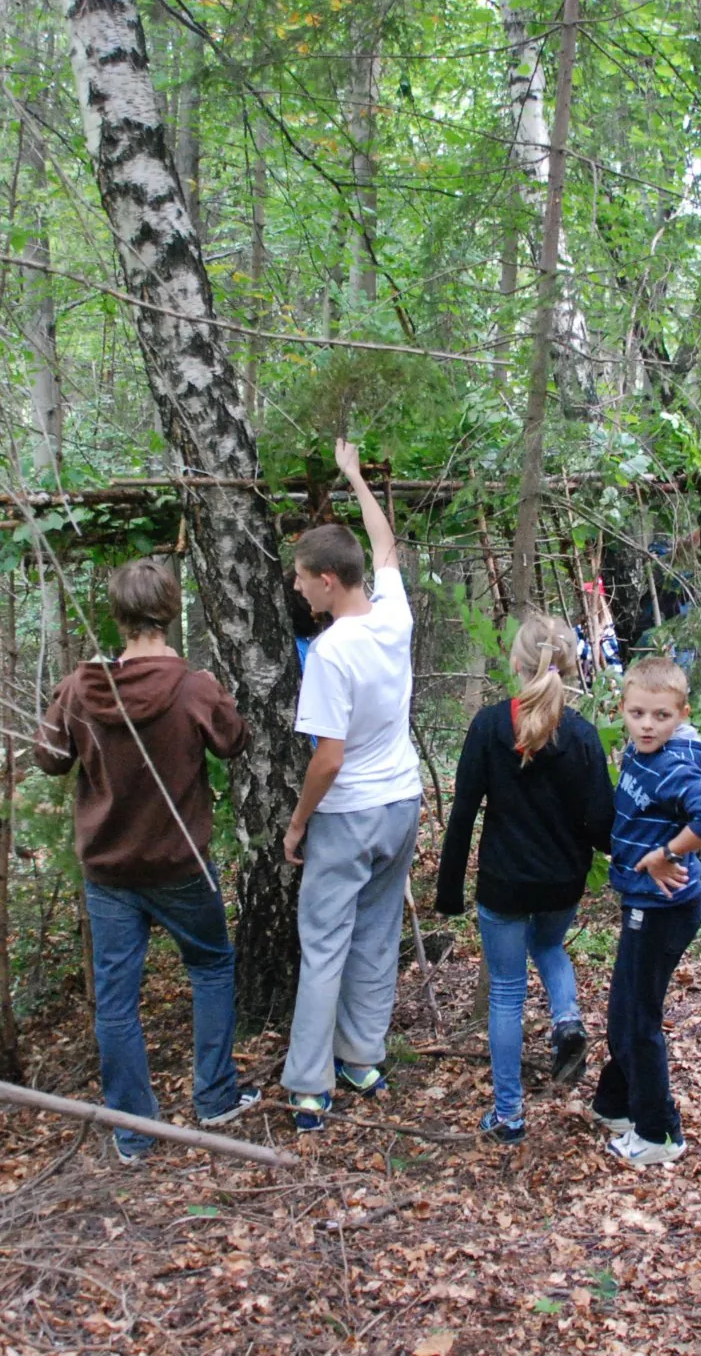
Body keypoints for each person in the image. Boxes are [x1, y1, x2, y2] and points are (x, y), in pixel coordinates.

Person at [36, 560, 258, 1165]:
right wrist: (215, 692)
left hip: (109, 872)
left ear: (118, 614)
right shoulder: (192, 686)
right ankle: (213, 1098)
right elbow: (234, 741)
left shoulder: (82, 687)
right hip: (179, 865)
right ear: (169, 609)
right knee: (211, 968)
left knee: (116, 999)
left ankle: (134, 1131)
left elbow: (49, 758)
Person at [281, 439, 422, 1133]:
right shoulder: (394, 615)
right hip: (401, 803)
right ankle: (361, 1056)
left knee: (326, 944)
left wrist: (299, 822)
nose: (298, 588)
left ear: (329, 580)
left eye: (303, 578)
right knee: (375, 933)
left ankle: (310, 1083)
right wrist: (356, 478)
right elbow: (386, 545)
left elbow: (328, 758)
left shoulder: (332, 651)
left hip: (349, 812)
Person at [435, 612, 614, 1144]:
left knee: (508, 994)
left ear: (517, 662)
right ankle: (565, 1020)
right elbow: (602, 824)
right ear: (568, 663)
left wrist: (450, 893)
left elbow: (464, 811)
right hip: (562, 881)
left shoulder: (491, 725)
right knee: (550, 945)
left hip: (504, 883)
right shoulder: (580, 735)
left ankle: (509, 1115)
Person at [593, 655, 701, 1167]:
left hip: (661, 908)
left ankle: (658, 1133)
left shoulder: (672, 765)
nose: (647, 725)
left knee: (637, 1017)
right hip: (642, 902)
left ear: (681, 715)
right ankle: (617, 1106)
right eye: (637, 714)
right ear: (623, 710)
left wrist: (667, 853)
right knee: (623, 1009)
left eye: (660, 716)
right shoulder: (639, 754)